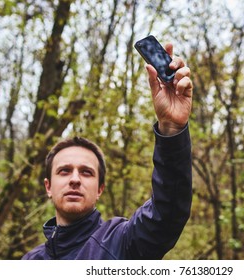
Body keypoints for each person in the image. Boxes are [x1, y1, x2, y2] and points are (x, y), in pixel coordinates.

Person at [22, 42, 193, 260]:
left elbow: (166, 215)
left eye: (86, 172)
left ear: (100, 188)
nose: (75, 179)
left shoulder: (123, 242)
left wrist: (172, 128)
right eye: (64, 171)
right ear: (48, 186)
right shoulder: (30, 262)